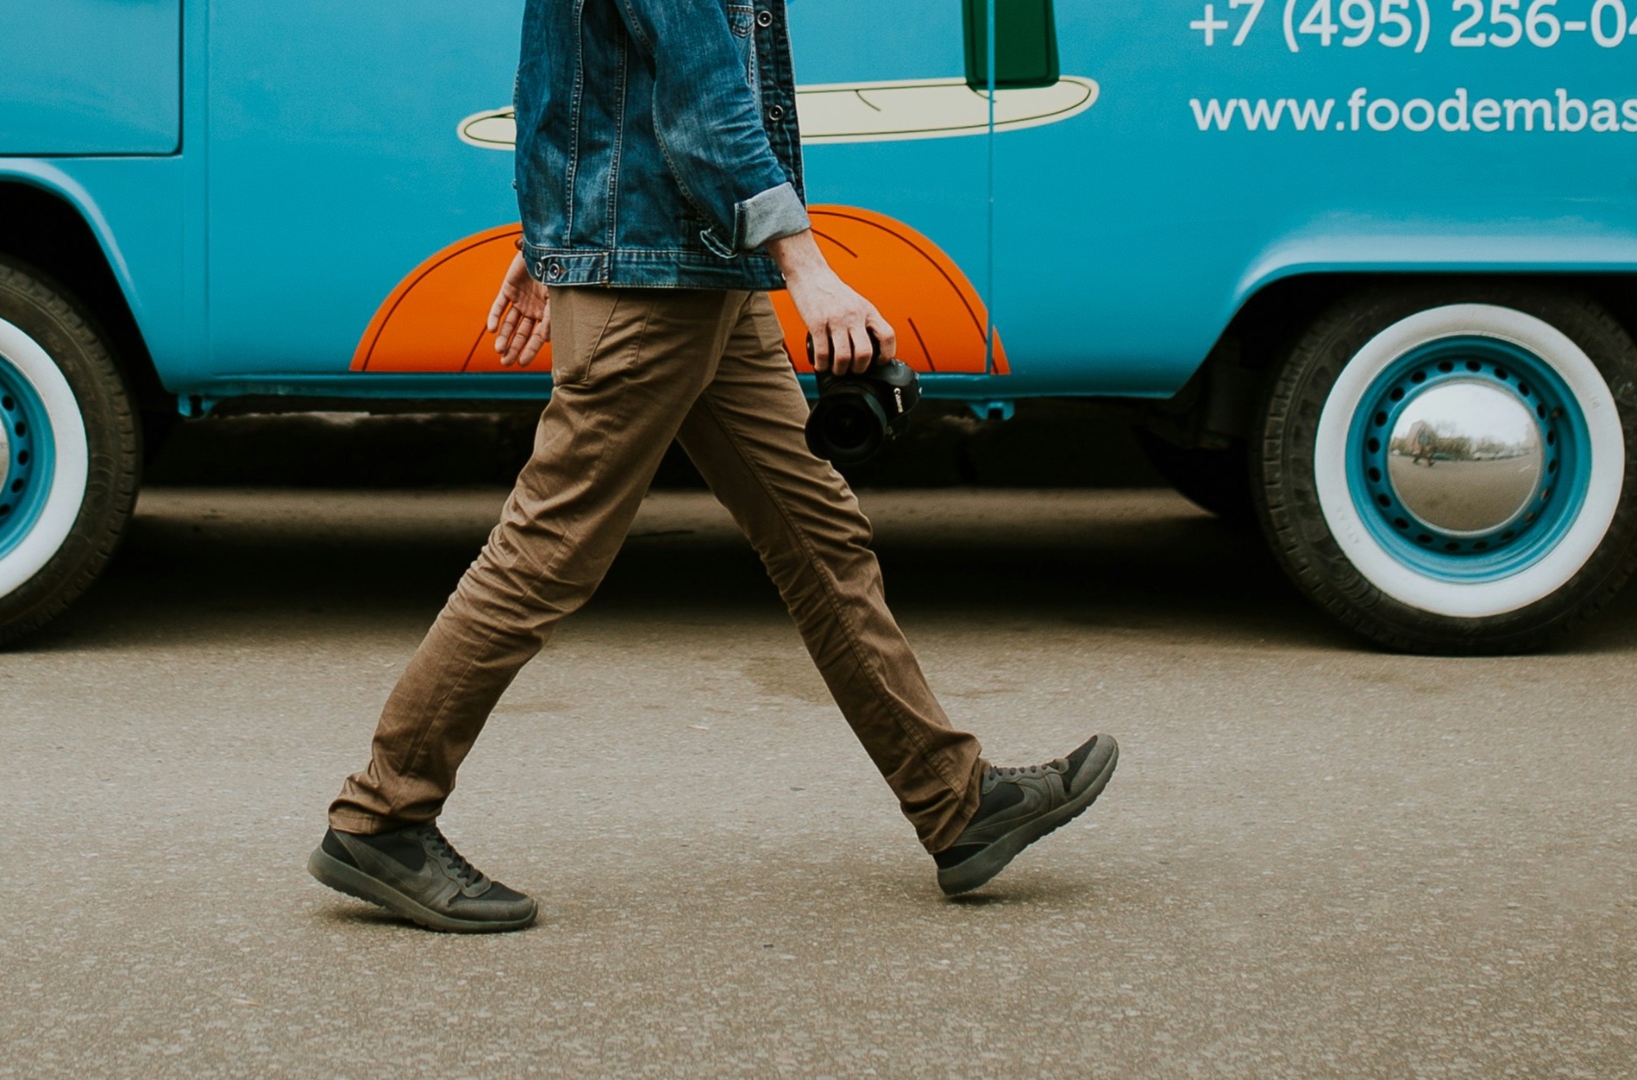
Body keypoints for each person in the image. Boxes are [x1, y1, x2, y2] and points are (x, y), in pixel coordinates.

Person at [308, 0, 1118, 933]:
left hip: (699, 269)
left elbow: (571, 69)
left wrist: (549, 237)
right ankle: (382, 815)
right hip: (652, 281)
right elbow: (703, 87)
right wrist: (806, 267)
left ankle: (954, 800)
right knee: (548, 549)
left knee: (817, 530)